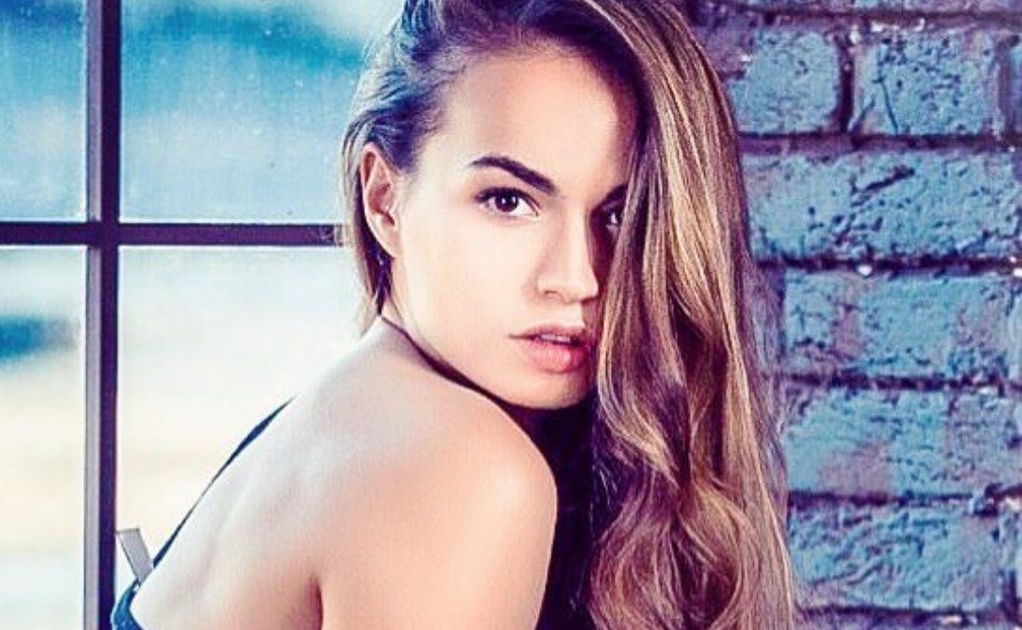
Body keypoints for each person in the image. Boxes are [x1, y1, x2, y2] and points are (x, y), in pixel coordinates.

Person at [113, 0, 798, 627]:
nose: (576, 278)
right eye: (508, 201)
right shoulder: (463, 468)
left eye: (619, 215)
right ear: (384, 200)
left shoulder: (352, 416)